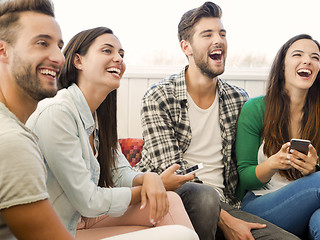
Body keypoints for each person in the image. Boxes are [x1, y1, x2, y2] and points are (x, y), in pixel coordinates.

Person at [134, 2, 299, 240]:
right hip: (180, 201)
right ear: (186, 47)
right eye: (207, 34)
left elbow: (253, 159)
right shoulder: (159, 97)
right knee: (204, 197)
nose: (219, 40)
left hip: (230, 203)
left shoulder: (238, 98)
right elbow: (173, 174)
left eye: (222, 33)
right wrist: (227, 221)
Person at [26, 27, 198, 240]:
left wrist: (150, 177)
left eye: (121, 54)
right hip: (48, 232)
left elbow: (118, 173)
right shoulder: (57, 113)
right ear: (78, 61)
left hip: (77, 222)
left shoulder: (95, 116)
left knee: (170, 203)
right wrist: (152, 187)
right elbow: (88, 200)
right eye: (107, 51)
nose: (118, 58)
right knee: (180, 235)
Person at [236, 34, 320, 240]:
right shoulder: (255, 109)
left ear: (318, 69)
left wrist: (312, 169)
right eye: (298, 54)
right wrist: (273, 163)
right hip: (261, 204)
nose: (307, 60)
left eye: (315, 57)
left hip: (308, 206)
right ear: (282, 65)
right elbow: (245, 178)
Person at [0, 0, 75, 239]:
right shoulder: (11, 141)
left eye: (59, 46)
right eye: (42, 43)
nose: (59, 57)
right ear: (1, 51)